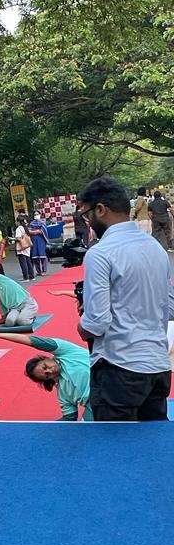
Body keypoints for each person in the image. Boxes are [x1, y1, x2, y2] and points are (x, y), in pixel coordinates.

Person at [77, 176, 172, 421]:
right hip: (158, 366)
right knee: (152, 440)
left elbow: (97, 323)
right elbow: (168, 308)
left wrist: (82, 327)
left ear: (100, 209)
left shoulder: (100, 253)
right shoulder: (156, 249)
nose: (87, 221)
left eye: (86, 214)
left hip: (119, 367)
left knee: (113, 442)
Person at [0, 324, 92, 421]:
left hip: (103, 380)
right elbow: (69, 418)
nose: (50, 370)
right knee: (88, 428)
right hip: (94, 403)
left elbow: (33, 341)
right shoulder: (63, 392)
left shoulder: (67, 352)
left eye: (45, 366)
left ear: (46, 358)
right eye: (46, 375)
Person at [14, 214, 35, 281]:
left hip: (21, 247)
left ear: (18, 222)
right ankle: (31, 276)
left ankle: (25, 277)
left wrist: (14, 239)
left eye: (16, 221)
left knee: (23, 262)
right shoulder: (25, 228)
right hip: (27, 246)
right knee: (28, 261)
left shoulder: (18, 229)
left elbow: (18, 238)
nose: (15, 222)